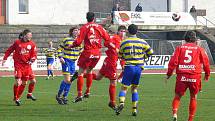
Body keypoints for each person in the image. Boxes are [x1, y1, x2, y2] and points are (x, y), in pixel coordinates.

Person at [166, 31, 210, 121]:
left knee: (177, 96)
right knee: (193, 97)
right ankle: (190, 119)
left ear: (185, 38)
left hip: (182, 75)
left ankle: (175, 114)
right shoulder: (200, 49)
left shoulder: (179, 48)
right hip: (195, 76)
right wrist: (207, 75)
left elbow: (173, 62)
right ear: (195, 39)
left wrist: (169, 74)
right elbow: (206, 63)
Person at [69, 12, 112, 103]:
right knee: (89, 71)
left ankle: (79, 95)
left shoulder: (84, 27)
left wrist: (71, 46)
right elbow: (107, 38)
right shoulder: (99, 27)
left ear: (86, 18)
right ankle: (88, 91)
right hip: (97, 53)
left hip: (88, 52)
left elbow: (78, 42)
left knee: (80, 73)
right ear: (94, 18)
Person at [115, 24, 154, 116]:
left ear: (128, 31)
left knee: (124, 88)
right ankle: (134, 110)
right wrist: (143, 57)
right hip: (139, 68)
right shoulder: (142, 42)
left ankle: (121, 103)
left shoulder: (124, 42)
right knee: (134, 89)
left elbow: (120, 55)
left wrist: (126, 56)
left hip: (129, 67)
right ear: (137, 31)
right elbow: (150, 52)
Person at [2, 29, 37, 106]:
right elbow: (9, 50)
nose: (30, 36)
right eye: (29, 35)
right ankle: (16, 97)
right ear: (24, 35)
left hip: (27, 66)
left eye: (31, 35)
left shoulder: (32, 44)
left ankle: (19, 97)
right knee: (18, 82)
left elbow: (34, 55)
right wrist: (5, 58)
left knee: (25, 82)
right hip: (18, 65)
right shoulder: (17, 42)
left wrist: (31, 60)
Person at [55, 27, 82, 105]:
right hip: (66, 60)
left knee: (70, 81)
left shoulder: (80, 41)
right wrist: (60, 57)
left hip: (73, 62)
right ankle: (59, 95)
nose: (77, 32)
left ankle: (64, 97)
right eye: (75, 30)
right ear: (72, 32)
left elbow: (81, 51)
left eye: (78, 30)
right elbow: (59, 49)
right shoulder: (67, 39)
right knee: (68, 80)